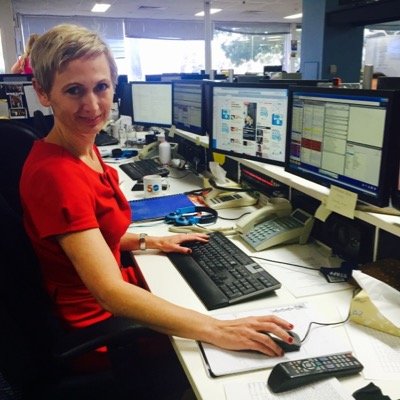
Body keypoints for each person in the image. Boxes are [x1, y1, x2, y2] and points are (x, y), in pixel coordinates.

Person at [20, 24, 294, 398]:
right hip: (105, 331)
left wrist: (150, 241)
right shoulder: (57, 174)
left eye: (101, 87)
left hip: (115, 306)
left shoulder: (82, 147)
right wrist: (216, 330)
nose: (93, 106)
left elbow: (90, 237)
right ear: (43, 92)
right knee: (234, 357)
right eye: (74, 90)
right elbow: (110, 294)